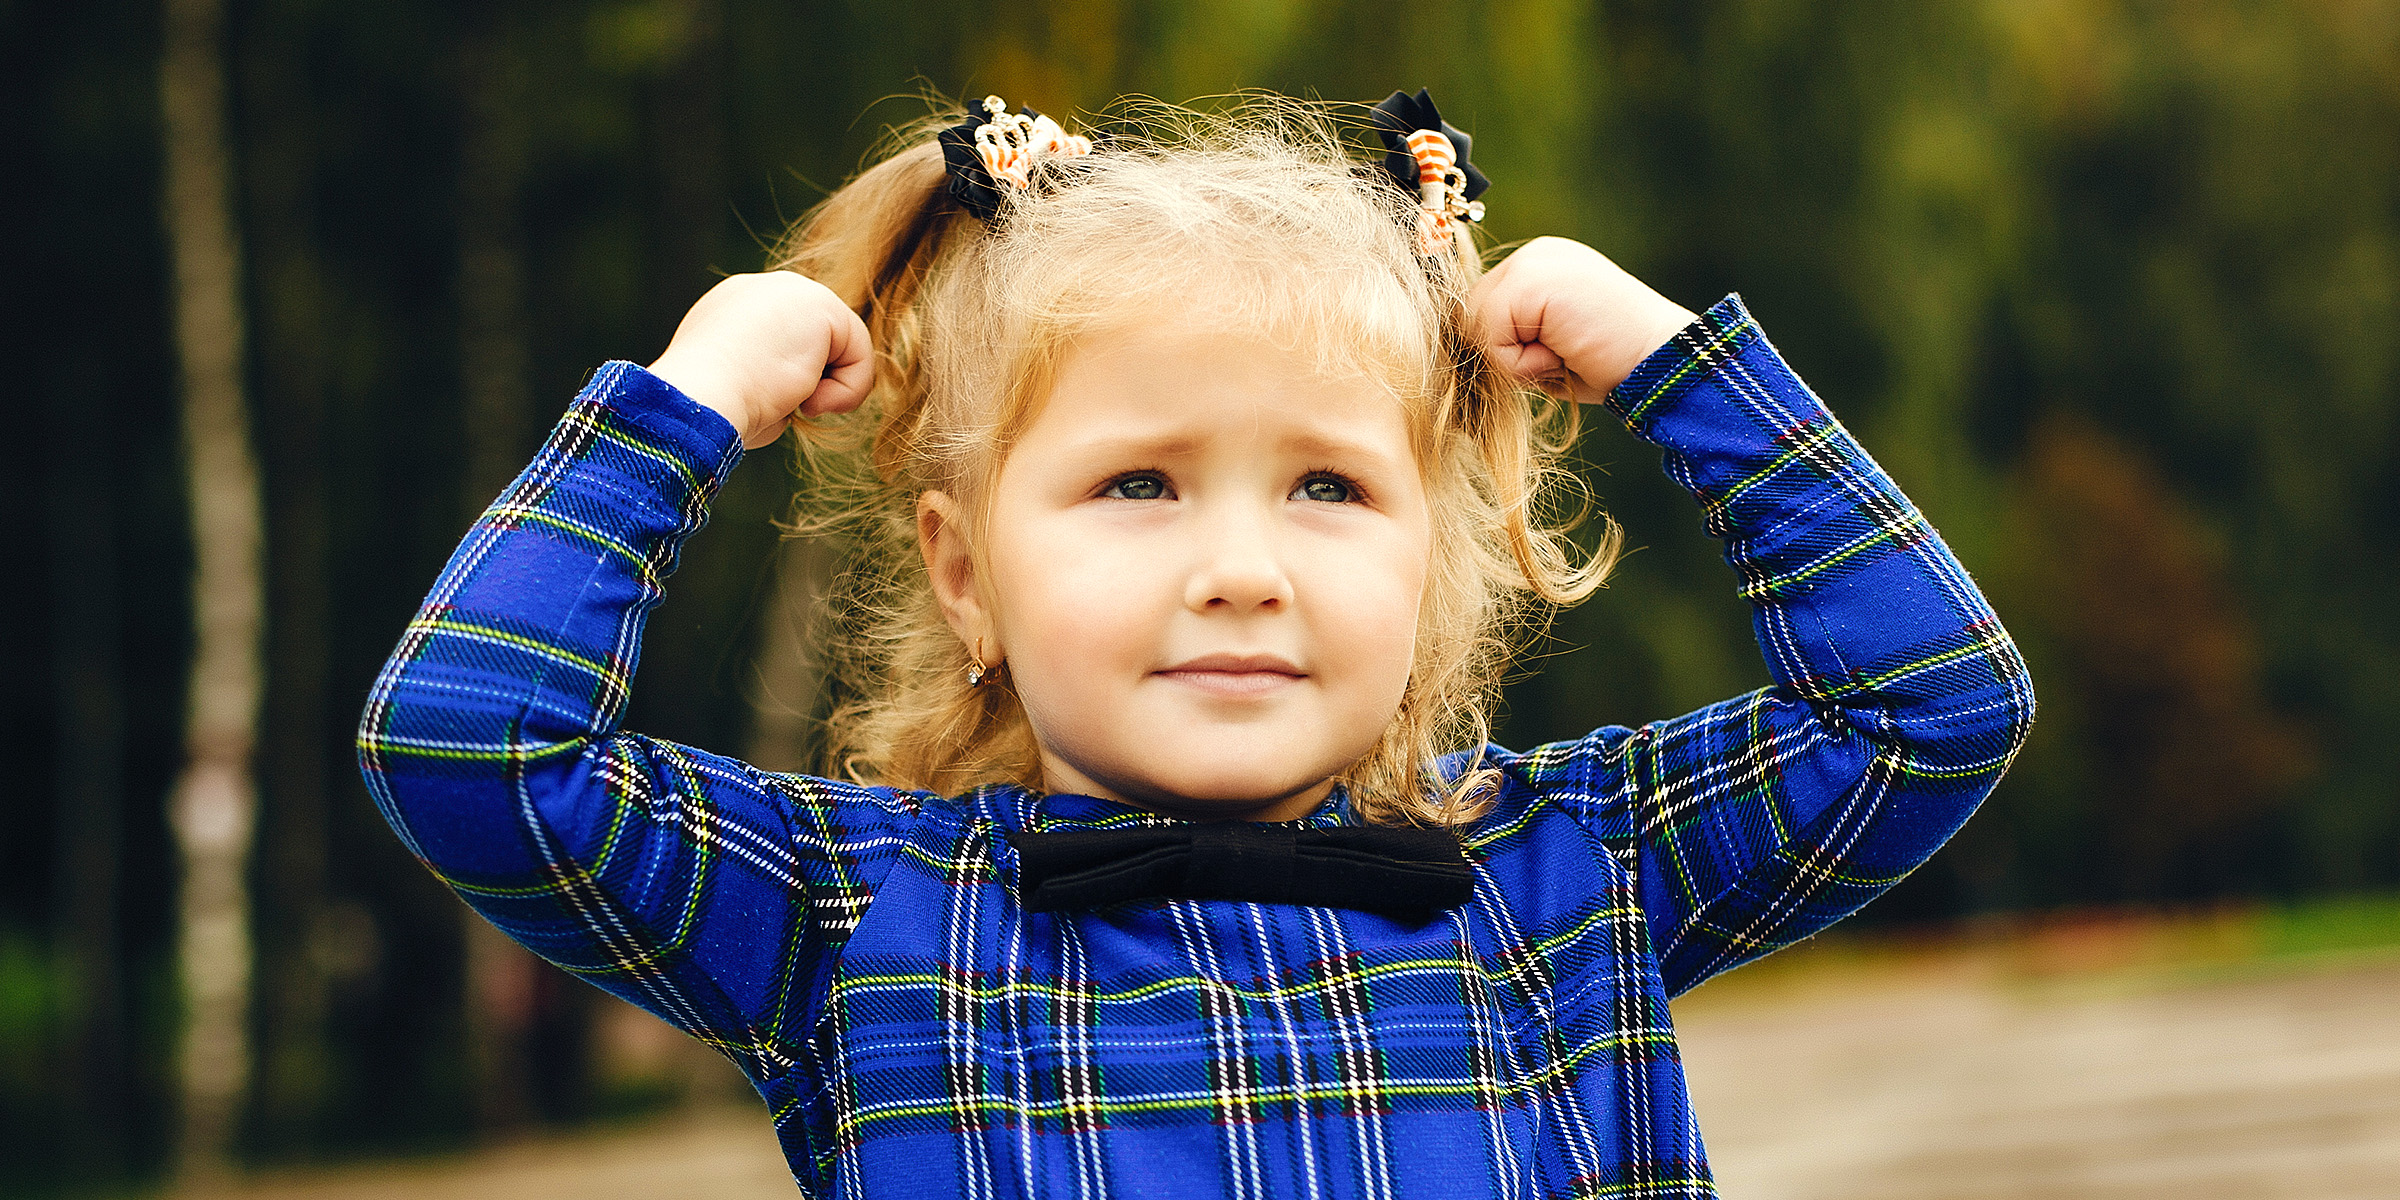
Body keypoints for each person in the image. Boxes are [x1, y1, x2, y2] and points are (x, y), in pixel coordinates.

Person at [359, 92, 2032, 1198]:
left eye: (1327, 487)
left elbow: (1927, 710)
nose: (1240, 569)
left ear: (1435, 566)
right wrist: (680, 409)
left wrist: (1676, 365)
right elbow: (470, 750)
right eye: (1138, 483)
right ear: (967, 577)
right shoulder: (853, 914)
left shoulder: (1562, 867)